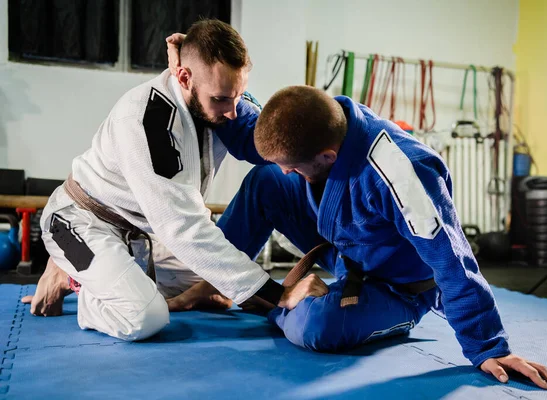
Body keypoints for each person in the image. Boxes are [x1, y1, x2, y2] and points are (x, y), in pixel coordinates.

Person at [210, 85, 547, 391]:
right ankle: (218, 284)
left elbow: (451, 258)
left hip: (397, 286)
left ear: (327, 156)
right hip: (353, 248)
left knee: (318, 328)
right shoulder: (322, 124)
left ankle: (274, 302)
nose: (288, 171)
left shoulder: (403, 173)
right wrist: (205, 88)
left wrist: (488, 345)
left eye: (295, 166)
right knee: (266, 180)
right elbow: (252, 130)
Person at [21, 18, 328, 341]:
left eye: (238, 95)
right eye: (222, 99)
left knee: (218, 276)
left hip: (144, 235)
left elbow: (267, 142)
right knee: (145, 316)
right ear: (183, 77)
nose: (233, 110)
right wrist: (278, 295)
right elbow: (183, 230)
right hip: (80, 223)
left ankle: (114, 274)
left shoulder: (218, 101)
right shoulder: (148, 122)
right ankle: (75, 277)